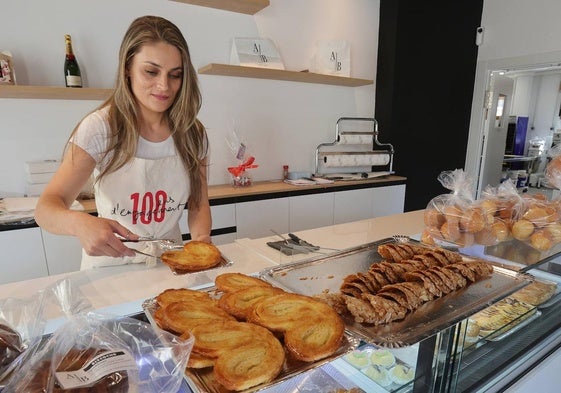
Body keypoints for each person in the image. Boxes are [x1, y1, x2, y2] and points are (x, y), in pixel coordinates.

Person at [35, 15, 212, 270]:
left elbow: (198, 203)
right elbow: (46, 208)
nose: (164, 86)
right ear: (127, 67)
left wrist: (201, 241)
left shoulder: (192, 133)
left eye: (175, 75)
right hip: (111, 267)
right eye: (151, 71)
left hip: (170, 263)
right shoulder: (101, 129)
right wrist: (81, 224)